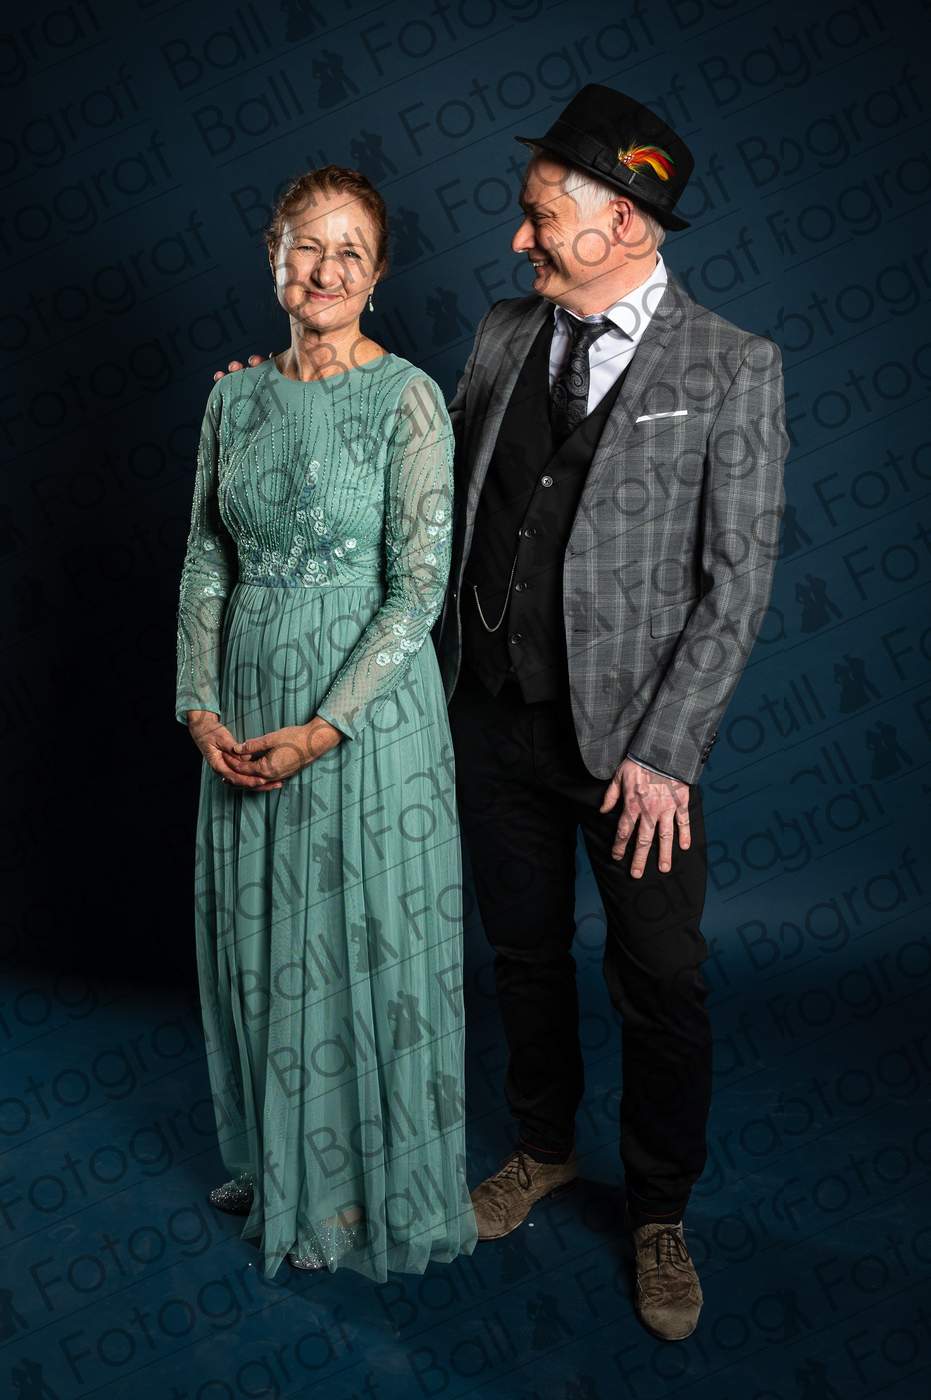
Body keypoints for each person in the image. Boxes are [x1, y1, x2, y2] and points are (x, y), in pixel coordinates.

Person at [216, 84, 789, 1340]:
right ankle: (542, 1145)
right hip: (485, 715)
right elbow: (397, 465)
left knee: (660, 977)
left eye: (537, 217)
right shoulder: (498, 332)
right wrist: (284, 396)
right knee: (521, 952)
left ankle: (659, 1211)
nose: (518, 238)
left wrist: (664, 753)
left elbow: (737, 581)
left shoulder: (731, 364)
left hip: (634, 750)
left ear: (623, 221)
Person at [176, 163, 477, 1281]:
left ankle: (353, 1189)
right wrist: (197, 705)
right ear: (273, 257)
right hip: (245, 705)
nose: (327, 268)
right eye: (308, 244)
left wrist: (323, 727)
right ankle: (276, 1159)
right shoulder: (232, 398)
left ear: (378, 272)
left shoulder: (408, 398)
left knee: (357, 946)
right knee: (262, 935)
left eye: (351, 250)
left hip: (362, 720)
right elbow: (206, 557)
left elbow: (418, 589)